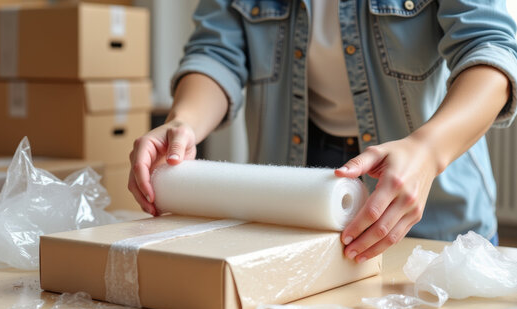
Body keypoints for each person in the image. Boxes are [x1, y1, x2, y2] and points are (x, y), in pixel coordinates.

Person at [128, 0, 517, 263]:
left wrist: (428, 152)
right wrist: (184, 123)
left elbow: (491, 47)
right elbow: (216, 52)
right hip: (298, 187)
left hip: (431, 188)